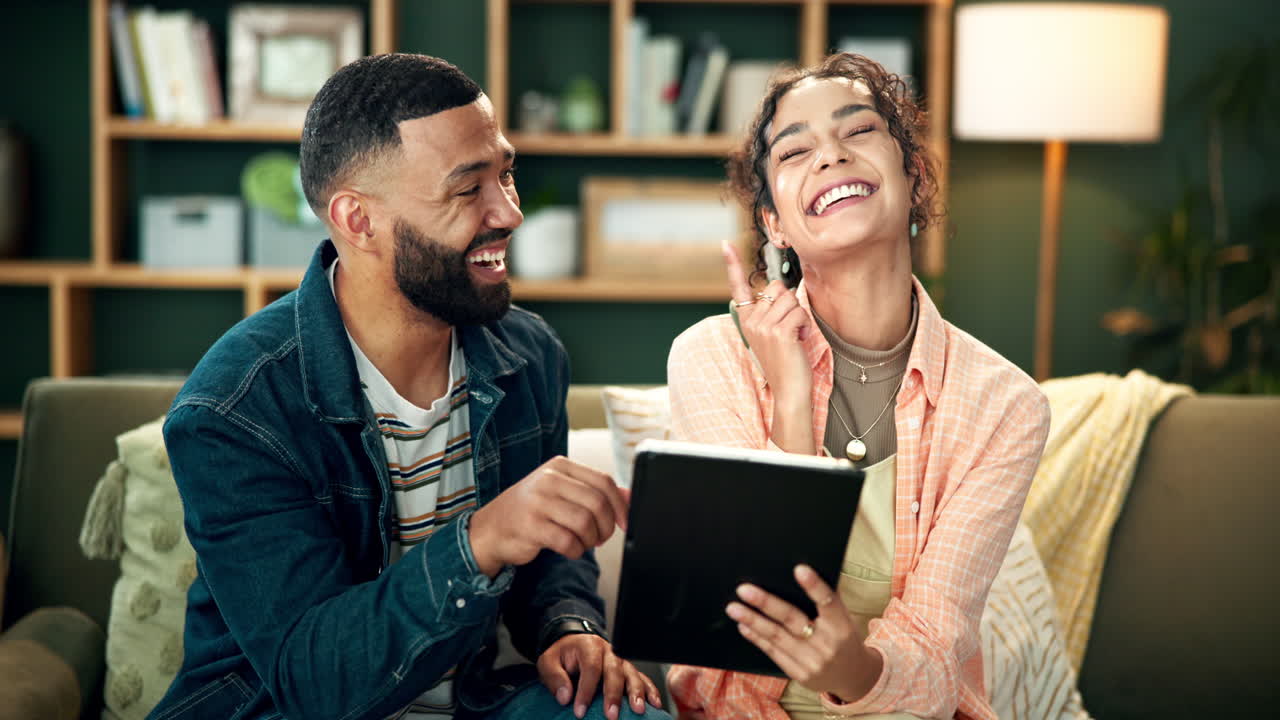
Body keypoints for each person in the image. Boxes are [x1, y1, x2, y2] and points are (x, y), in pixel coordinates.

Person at [149, 53, 668, 720]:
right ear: (358, 220)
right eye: (467, 189)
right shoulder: (233, 411)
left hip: (472, 703)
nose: (509, 213)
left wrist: (569, 626)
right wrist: (480, 539)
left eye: (506, 175)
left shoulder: (529, 354)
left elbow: (550, 564)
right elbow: (315, 683)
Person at [664, 53, 1051, 720]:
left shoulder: (1005, 406)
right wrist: (790, 396)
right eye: (795, 150)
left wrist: (853, 667)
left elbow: (935, 650)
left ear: (915, 174)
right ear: (774, 225)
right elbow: (740, 629)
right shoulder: (712, 358)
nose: (830, 156)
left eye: (859, 130)